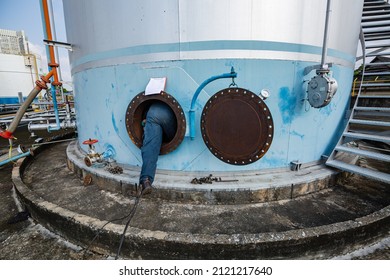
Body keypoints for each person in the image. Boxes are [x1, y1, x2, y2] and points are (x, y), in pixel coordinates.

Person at [139, 101, 176, 195]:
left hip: (154, 112)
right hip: (170, 113)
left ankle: (146, 180)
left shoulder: (149, 117)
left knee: (150, 144)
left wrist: (145, 125)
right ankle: (145, 180)